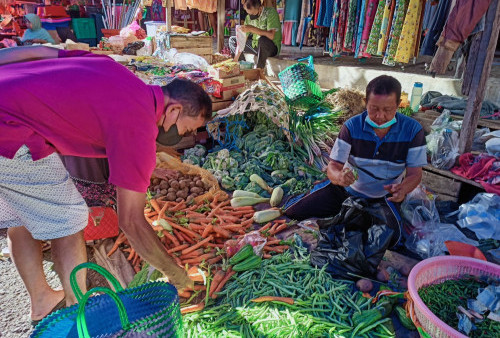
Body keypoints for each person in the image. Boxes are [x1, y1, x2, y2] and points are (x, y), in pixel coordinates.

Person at [0, 46, 212, 325]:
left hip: (8, 110)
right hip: (11, 128)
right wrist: (175, 274)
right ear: (174, 110)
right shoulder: (140, 126)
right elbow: (132, 222)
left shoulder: (112, 68)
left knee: (23, 213)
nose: (181, 135)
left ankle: (42, 300)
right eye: (185, 129)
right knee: (71, 219)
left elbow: (35, 52)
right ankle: (80, 312)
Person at [285, 75, 427, 246]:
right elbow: (333, 166)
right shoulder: (352, 127)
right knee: (292, 211)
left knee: (393, 241)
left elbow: (415, 174)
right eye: (373, 108)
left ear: (398, 105)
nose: (380, 116)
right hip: (345, 191)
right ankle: (346, 210)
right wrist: (339, 177)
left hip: (383, 197)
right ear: (366, 102)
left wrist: (402, 189)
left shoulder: (413, 131)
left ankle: (353, 215)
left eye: (388, 110)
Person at [229, 0, 282, 69]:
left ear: (260, 8)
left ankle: (259, 69)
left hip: (271, 47)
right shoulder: (248, 18)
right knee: (232, 40)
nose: (250, 16)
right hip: (256, 46)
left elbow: (271, 35)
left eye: (253, 14)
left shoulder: (271, 13)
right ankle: (243, 66)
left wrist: (252, 29)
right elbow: (242, 40)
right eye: (249, 13)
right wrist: (235, 59)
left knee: (263, 40)